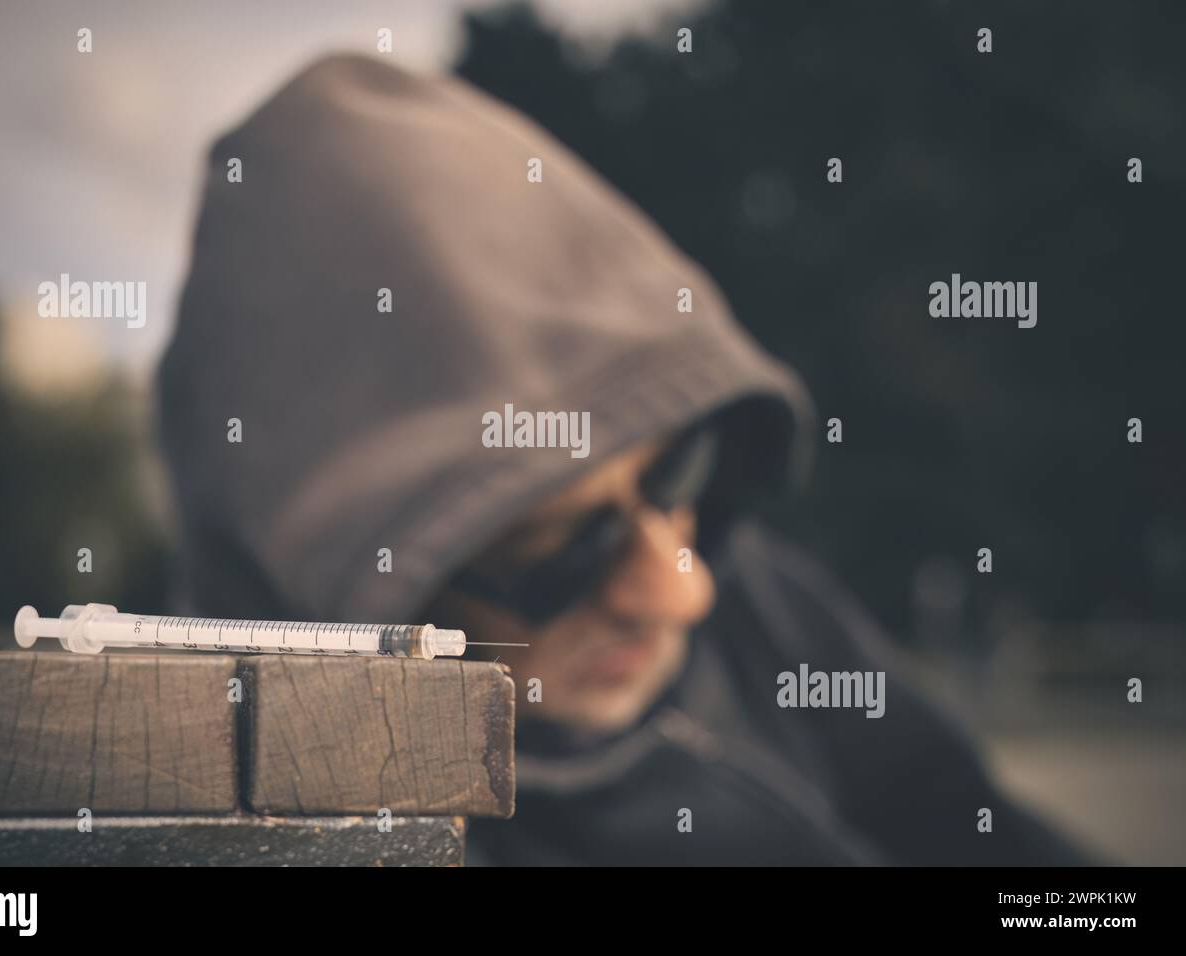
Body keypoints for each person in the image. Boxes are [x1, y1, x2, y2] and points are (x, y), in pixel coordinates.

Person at [158, 53, 1091, 865]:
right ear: (347, 581)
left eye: (676, 476)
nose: (679, 588)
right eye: (554, 544)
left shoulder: (759, 603)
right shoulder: (278, 829)